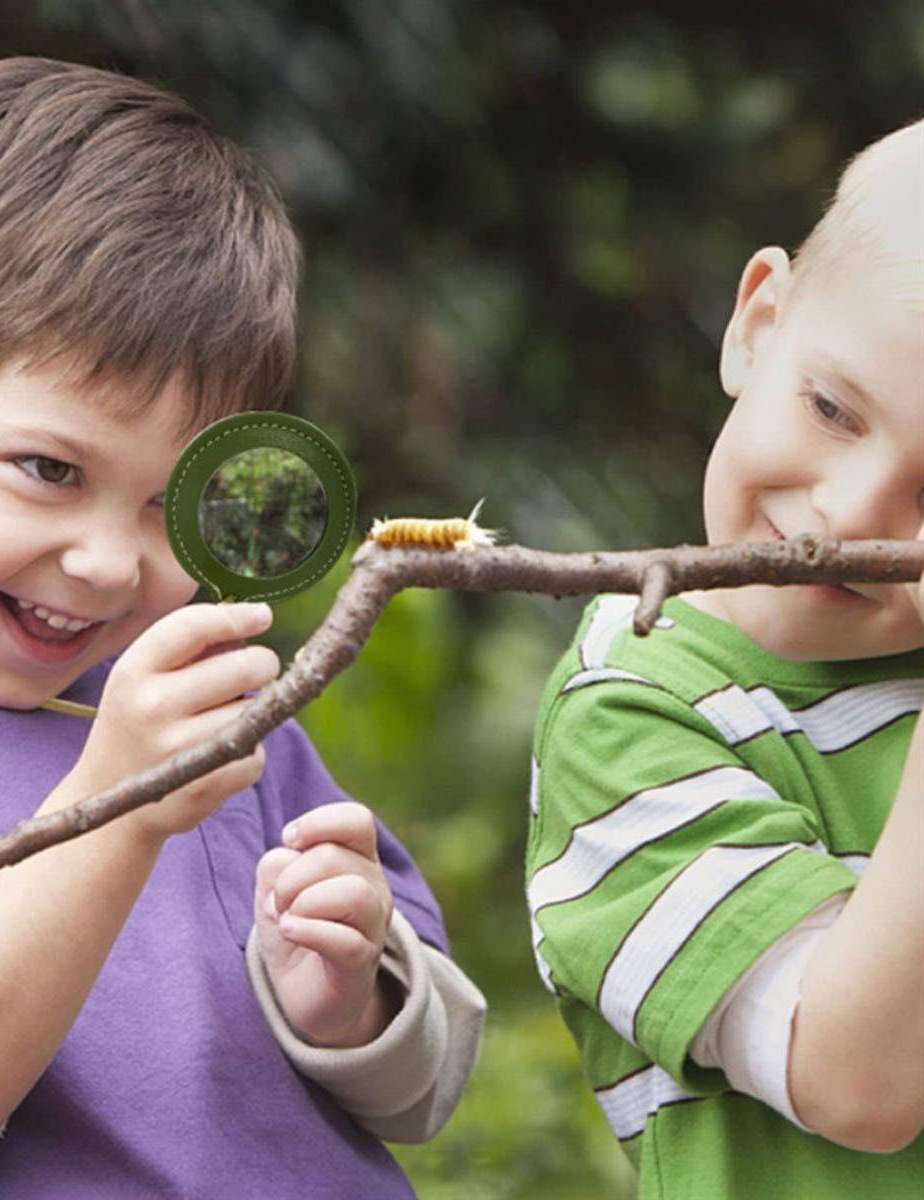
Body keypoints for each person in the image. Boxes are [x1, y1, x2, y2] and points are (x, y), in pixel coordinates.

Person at [0, 58, 485, 1199]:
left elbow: (421, 1089)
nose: (110, 562)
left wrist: (347, 994)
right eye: (47, 470)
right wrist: (114, 811)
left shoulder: (210, 703)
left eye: (170, 504)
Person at [526, 118, 923, 1198]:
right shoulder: (632, 713)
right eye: (834, 409)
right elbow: (856, 1080)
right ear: (757, 322)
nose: (850, 515)